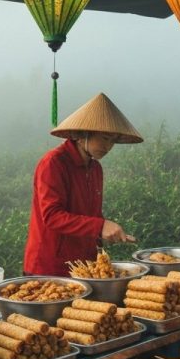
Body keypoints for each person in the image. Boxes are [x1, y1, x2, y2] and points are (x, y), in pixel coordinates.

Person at [23, 92, 143, 277]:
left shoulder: (95, 169)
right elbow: (52, 216)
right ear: (81, 135)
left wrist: (105, 233)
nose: (108, 147)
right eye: (104, 138)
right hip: (49, 267)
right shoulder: (53, 163)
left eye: (113, 141)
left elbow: (91, 215)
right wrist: (100, 226)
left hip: (84, 266)